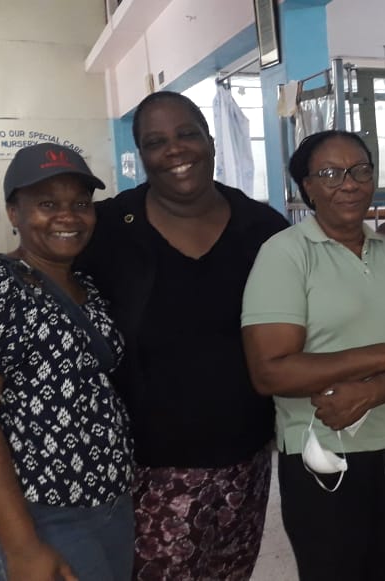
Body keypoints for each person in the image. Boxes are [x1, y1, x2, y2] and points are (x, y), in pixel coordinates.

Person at [75, 91, 290, 580]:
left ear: (210, 140)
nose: (174, 149)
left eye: (187, 133)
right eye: (156, 142)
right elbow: (51, 271)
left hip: (246, 460)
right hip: (146, 469)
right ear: (141, 154)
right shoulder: (110, 228)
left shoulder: (261, 227)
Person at [241, 129, 385, 581]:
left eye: (360, 170)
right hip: (325, 460)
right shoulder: (285, 255)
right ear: (308, 186)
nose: (349, 183)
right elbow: (270, 371)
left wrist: (375, 391)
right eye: (331, 174)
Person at [0, 144, 133, 580]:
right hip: (25, 512)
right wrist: (22, 548)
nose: (67, 216)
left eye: (80, 204)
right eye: (47, 204)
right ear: (13, 213)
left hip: (104, 505)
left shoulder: (87, 288)